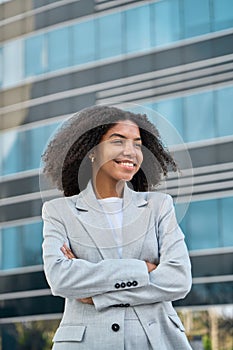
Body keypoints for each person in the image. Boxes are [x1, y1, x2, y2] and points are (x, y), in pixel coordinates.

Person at [41, 105, 192, 349]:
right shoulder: (59, 211)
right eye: (118, 141)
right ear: (91, 151)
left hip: (154, 341)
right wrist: (144, 269)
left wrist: (96, 294)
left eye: (137, 143)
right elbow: (61, 279)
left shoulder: (159, 206)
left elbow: (179, 279)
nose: (130, 151)